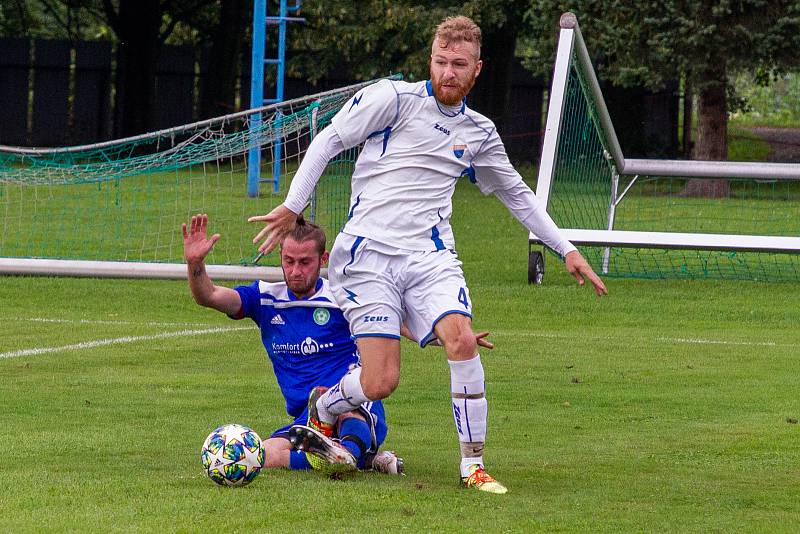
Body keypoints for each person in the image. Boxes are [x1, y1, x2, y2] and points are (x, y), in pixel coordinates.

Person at [248, 15, 608, 494]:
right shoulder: (392, 100)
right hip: (367, 256)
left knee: (461, 338)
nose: (448, 73)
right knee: (379, 383)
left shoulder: (479, 133)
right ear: (430, 61)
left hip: (429, 257)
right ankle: (325, 406)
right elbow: (329, 140)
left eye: (459, 64)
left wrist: (565, 248)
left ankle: (472, 467)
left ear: (477, 69)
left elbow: (516, 193)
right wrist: (294, 205)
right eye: (441, 62)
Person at [183, 213, 403, 475]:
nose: (296, 271)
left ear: (323, 259)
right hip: (308, 422)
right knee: (261, 455)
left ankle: (349, 453)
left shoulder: (344, 299)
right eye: (289, 261)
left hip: (354, 406)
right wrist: (195, 264)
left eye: (305, 262)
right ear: (280, 256)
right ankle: (357, 460)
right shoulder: (265, 298)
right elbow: (209, 295)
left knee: (347, 410)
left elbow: (394, 323)